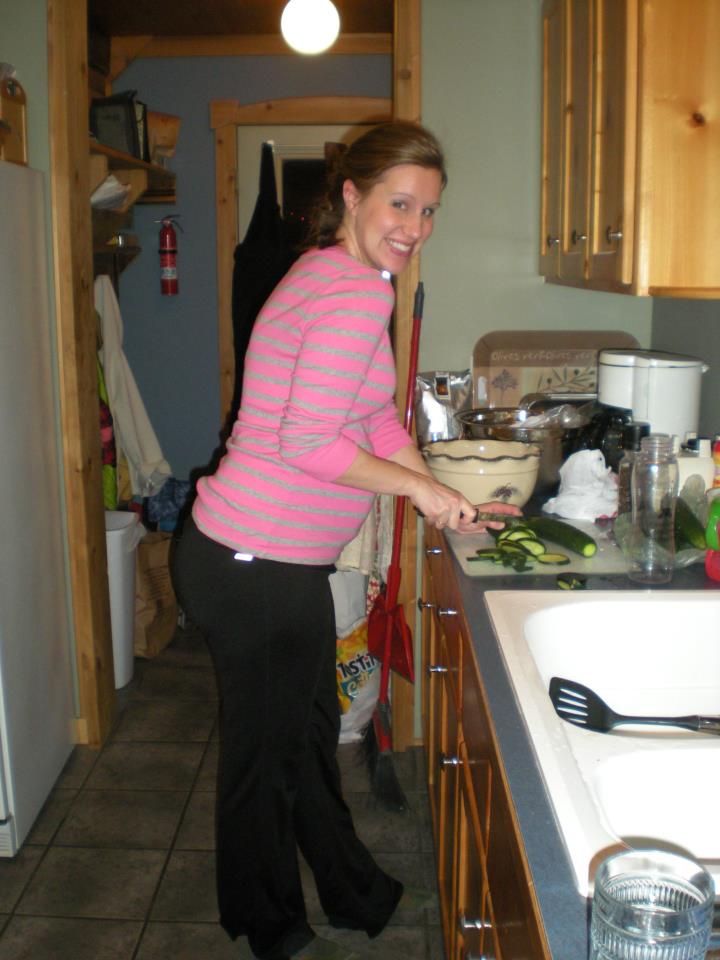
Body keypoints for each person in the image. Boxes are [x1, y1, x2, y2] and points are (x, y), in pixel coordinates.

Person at [171, 121, 520, 960]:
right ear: (353, 197)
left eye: (429, 211)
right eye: (400, 204)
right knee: (269, 758)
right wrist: (418, 488)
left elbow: (371, 418)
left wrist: (444, 497)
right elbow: (306, 442)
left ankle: (356, 893)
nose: (416, 226)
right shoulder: (356, 291)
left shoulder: (339, 273)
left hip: (263, 562)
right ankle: (269, 925)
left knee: (308, 739)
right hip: (254, 562)